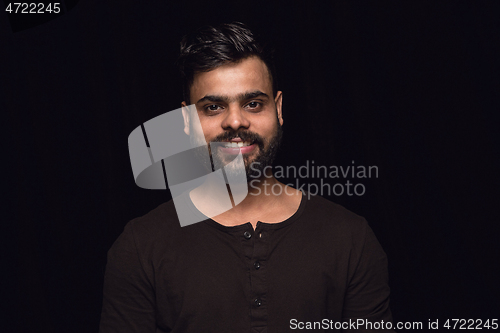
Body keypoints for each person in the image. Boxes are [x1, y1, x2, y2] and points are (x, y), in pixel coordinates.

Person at [99, 22, 395, 332]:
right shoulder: (140, 247)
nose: (236, 121)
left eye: (253, 104)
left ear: (278, 109)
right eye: (214, 107)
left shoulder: (350, 239)